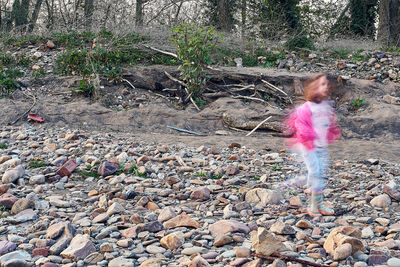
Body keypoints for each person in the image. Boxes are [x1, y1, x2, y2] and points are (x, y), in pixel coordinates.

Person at [285, 73, 341, 217]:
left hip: (321, 146)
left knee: (320, 171)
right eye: (322, 84)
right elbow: (301, 124)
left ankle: (313, 192)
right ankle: (314, 205)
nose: (326, 87)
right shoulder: (307, 107)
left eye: (327, 84)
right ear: (314, 88)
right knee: (316, 173)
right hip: (308, 146)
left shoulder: (327, 105)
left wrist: (334, 131)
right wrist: (308, 138)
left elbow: (328, 123)